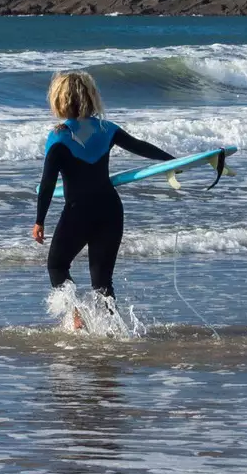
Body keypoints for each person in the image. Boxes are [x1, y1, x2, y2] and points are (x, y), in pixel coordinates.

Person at [33, 71, 173, 308]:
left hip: (78, 212)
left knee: (57, 266)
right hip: (110, 210)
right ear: (90, 97)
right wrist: (173, 161)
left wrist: (39, 221)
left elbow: (47, 183)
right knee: (102, 282)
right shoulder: (105, 128)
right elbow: (140, 147)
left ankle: (75, 317)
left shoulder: (59, 136)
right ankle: (113, 330)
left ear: (59, 99)